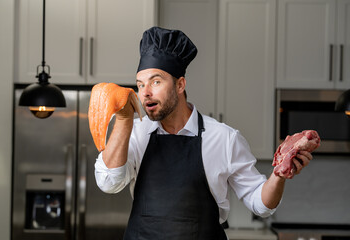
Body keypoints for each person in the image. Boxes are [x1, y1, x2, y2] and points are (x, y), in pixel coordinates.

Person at [94, 27, 313, 239]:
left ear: (180, 85)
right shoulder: (135, 133)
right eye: (140, 85)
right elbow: (109, 183)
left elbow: (261, 204)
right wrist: (123, 120)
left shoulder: (224, 139)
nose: (146, 94)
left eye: (156, 82)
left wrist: (279, 176)